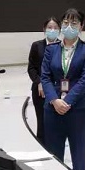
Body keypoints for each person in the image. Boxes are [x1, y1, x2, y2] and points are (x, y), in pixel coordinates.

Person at [41, 8, 85, 170]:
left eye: (74, 23)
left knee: (79, 157)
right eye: (65, 23)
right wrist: (54, 100)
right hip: (53, 110)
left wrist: (68, 101)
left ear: (81, 26)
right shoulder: (51, 49)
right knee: (54, 156)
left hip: (79, 110)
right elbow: (45, 76)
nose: (69, 26)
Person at [27, 17, 61, 145]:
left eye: (55, 28)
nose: (52, 30)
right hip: (40, 91)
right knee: (42, 122)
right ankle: (42, 147)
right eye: (49, 27)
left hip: (57, 90)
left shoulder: (63, 46)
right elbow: (31, 68)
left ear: (59, 30)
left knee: (57, 122)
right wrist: (39, 82)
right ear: (44, 29)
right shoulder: (37, 46)